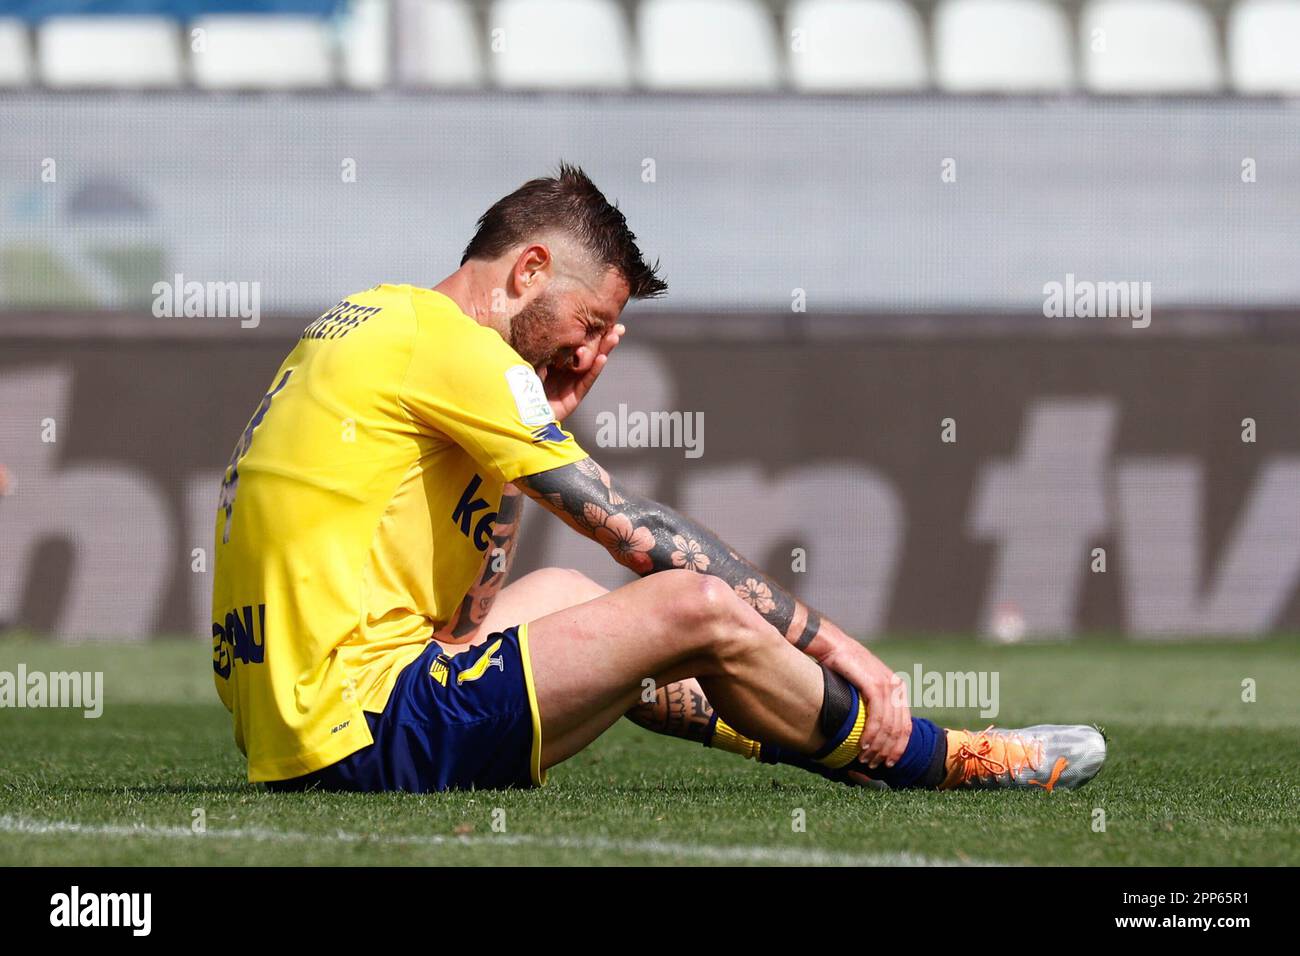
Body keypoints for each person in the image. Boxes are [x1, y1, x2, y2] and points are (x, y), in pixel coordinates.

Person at [211, 163, 1106, 795]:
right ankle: (931, 756)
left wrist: (525, 447)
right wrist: (838, 645)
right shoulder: (450, 347)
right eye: (594, 320)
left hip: (298, 718)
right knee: (692, 604)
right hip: (363, 728)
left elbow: (464, 626)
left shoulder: (377, 320)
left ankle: (815, 735)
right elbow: (625, 523)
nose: (596, 351)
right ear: (528, 271)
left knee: (565, 593)